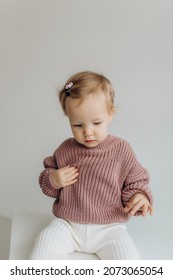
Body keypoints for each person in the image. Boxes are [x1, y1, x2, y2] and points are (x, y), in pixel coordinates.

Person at [30, 71, 153, 260]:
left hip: (109, 228)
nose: (88, 132)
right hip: (68, 225)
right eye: (77, 125)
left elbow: (136, 181)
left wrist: (139, 196)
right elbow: (47, 182)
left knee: (130, 263)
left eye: (96, 123)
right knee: (43, 247)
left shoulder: (121, 150)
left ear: (110, 114)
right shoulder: (65, 149)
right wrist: (54, 179)